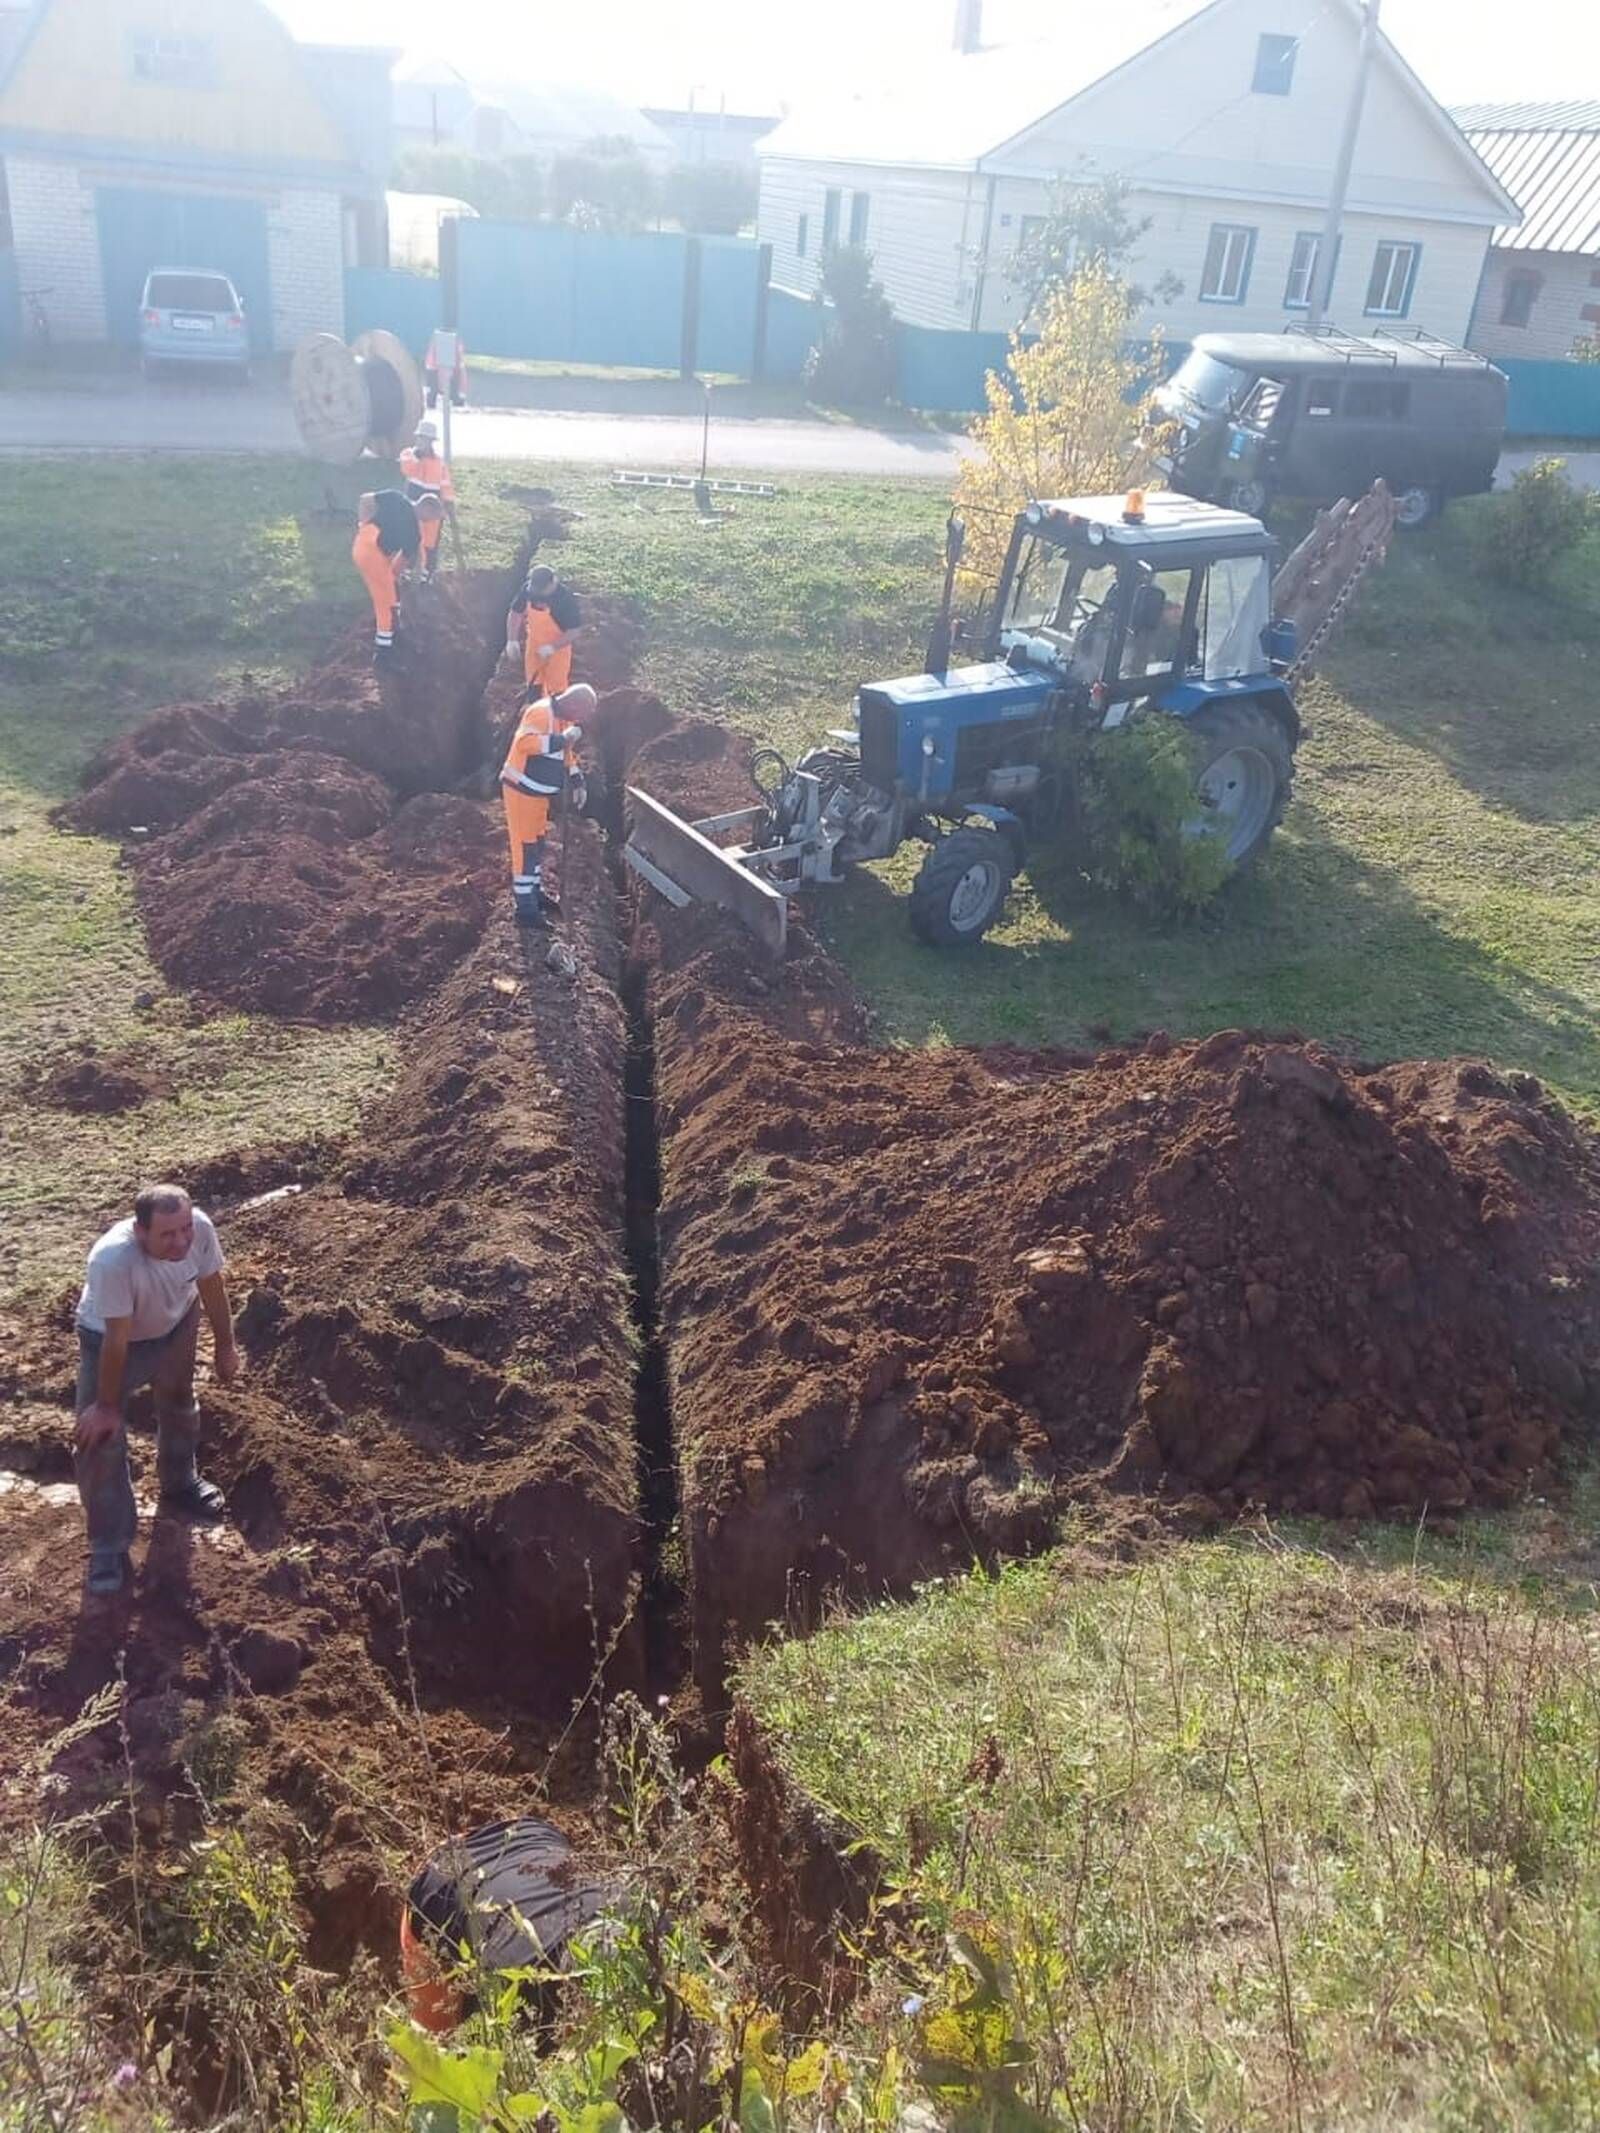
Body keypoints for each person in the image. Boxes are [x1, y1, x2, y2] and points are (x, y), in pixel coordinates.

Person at [74, 1184, 241, 1598]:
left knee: (180, 1402)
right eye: (167, 1234)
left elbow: (212, 1286)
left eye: (185, 1228)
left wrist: (224, 1345)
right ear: (140, 1230)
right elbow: (117, 1338)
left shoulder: (199, 1229)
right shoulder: (113, 1260)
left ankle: (180, 1483)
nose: (182, 1241)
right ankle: (109, 1547)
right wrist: (108, 1406)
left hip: (177, 1323)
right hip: (111, 1342)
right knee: (100, 1438)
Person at [499, 682, 594, 928]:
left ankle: (534, 892)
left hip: (538, 794)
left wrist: (577, 779)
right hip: (521, 791)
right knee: (525, 848)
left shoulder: (564, 718)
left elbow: (566, 753)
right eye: (583, 714)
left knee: (538, 844)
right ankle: (525, 910)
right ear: (573, 704)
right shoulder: (540, 712)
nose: (582, 720)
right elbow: (525, 744)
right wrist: (561, 740)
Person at [353, 488, 420, 664]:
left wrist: (363, 521)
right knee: (386, 603)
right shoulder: (415, 535)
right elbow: (399, 566)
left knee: (389, 595)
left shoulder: (397, 499)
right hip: (372, 554)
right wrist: (391, 579)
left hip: (364, 544)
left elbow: (365, 498)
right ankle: (384, 653)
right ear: (427, 511)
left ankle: (393, 631)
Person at [505, 564, 582, 699]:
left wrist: (552, 647)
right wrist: (512, 640)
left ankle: (554, 717)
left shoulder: (565, 599)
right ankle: (533, 711)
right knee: (533, 684)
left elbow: (574, 631)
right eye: (535, 590)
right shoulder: (528, 589)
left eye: (541, 590)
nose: (537, 594)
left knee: (556, 690)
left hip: (558, 649)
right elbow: (516, 613)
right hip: (534, 643)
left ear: (552, 582)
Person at [399, 420, 456, 584]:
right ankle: (405, 572)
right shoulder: (408, 454)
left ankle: (427, 576)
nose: (423, 442)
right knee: (409, 540)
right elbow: (406, 468)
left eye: (426, 439)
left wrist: (448, 504)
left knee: (430, 545)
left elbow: (446, 485)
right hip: (411, 509)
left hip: (432, 511)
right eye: (421, 438)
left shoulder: (439, 462)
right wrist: (418, 456)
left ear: (432, 441)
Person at [424, 328, 469, 410]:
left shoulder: (441, 339)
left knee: (434, 387)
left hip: (438, 366)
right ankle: (453, 398)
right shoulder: (453, 340)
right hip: (437, 366)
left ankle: (452, 397)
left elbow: (459, 361)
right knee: (434, 387)